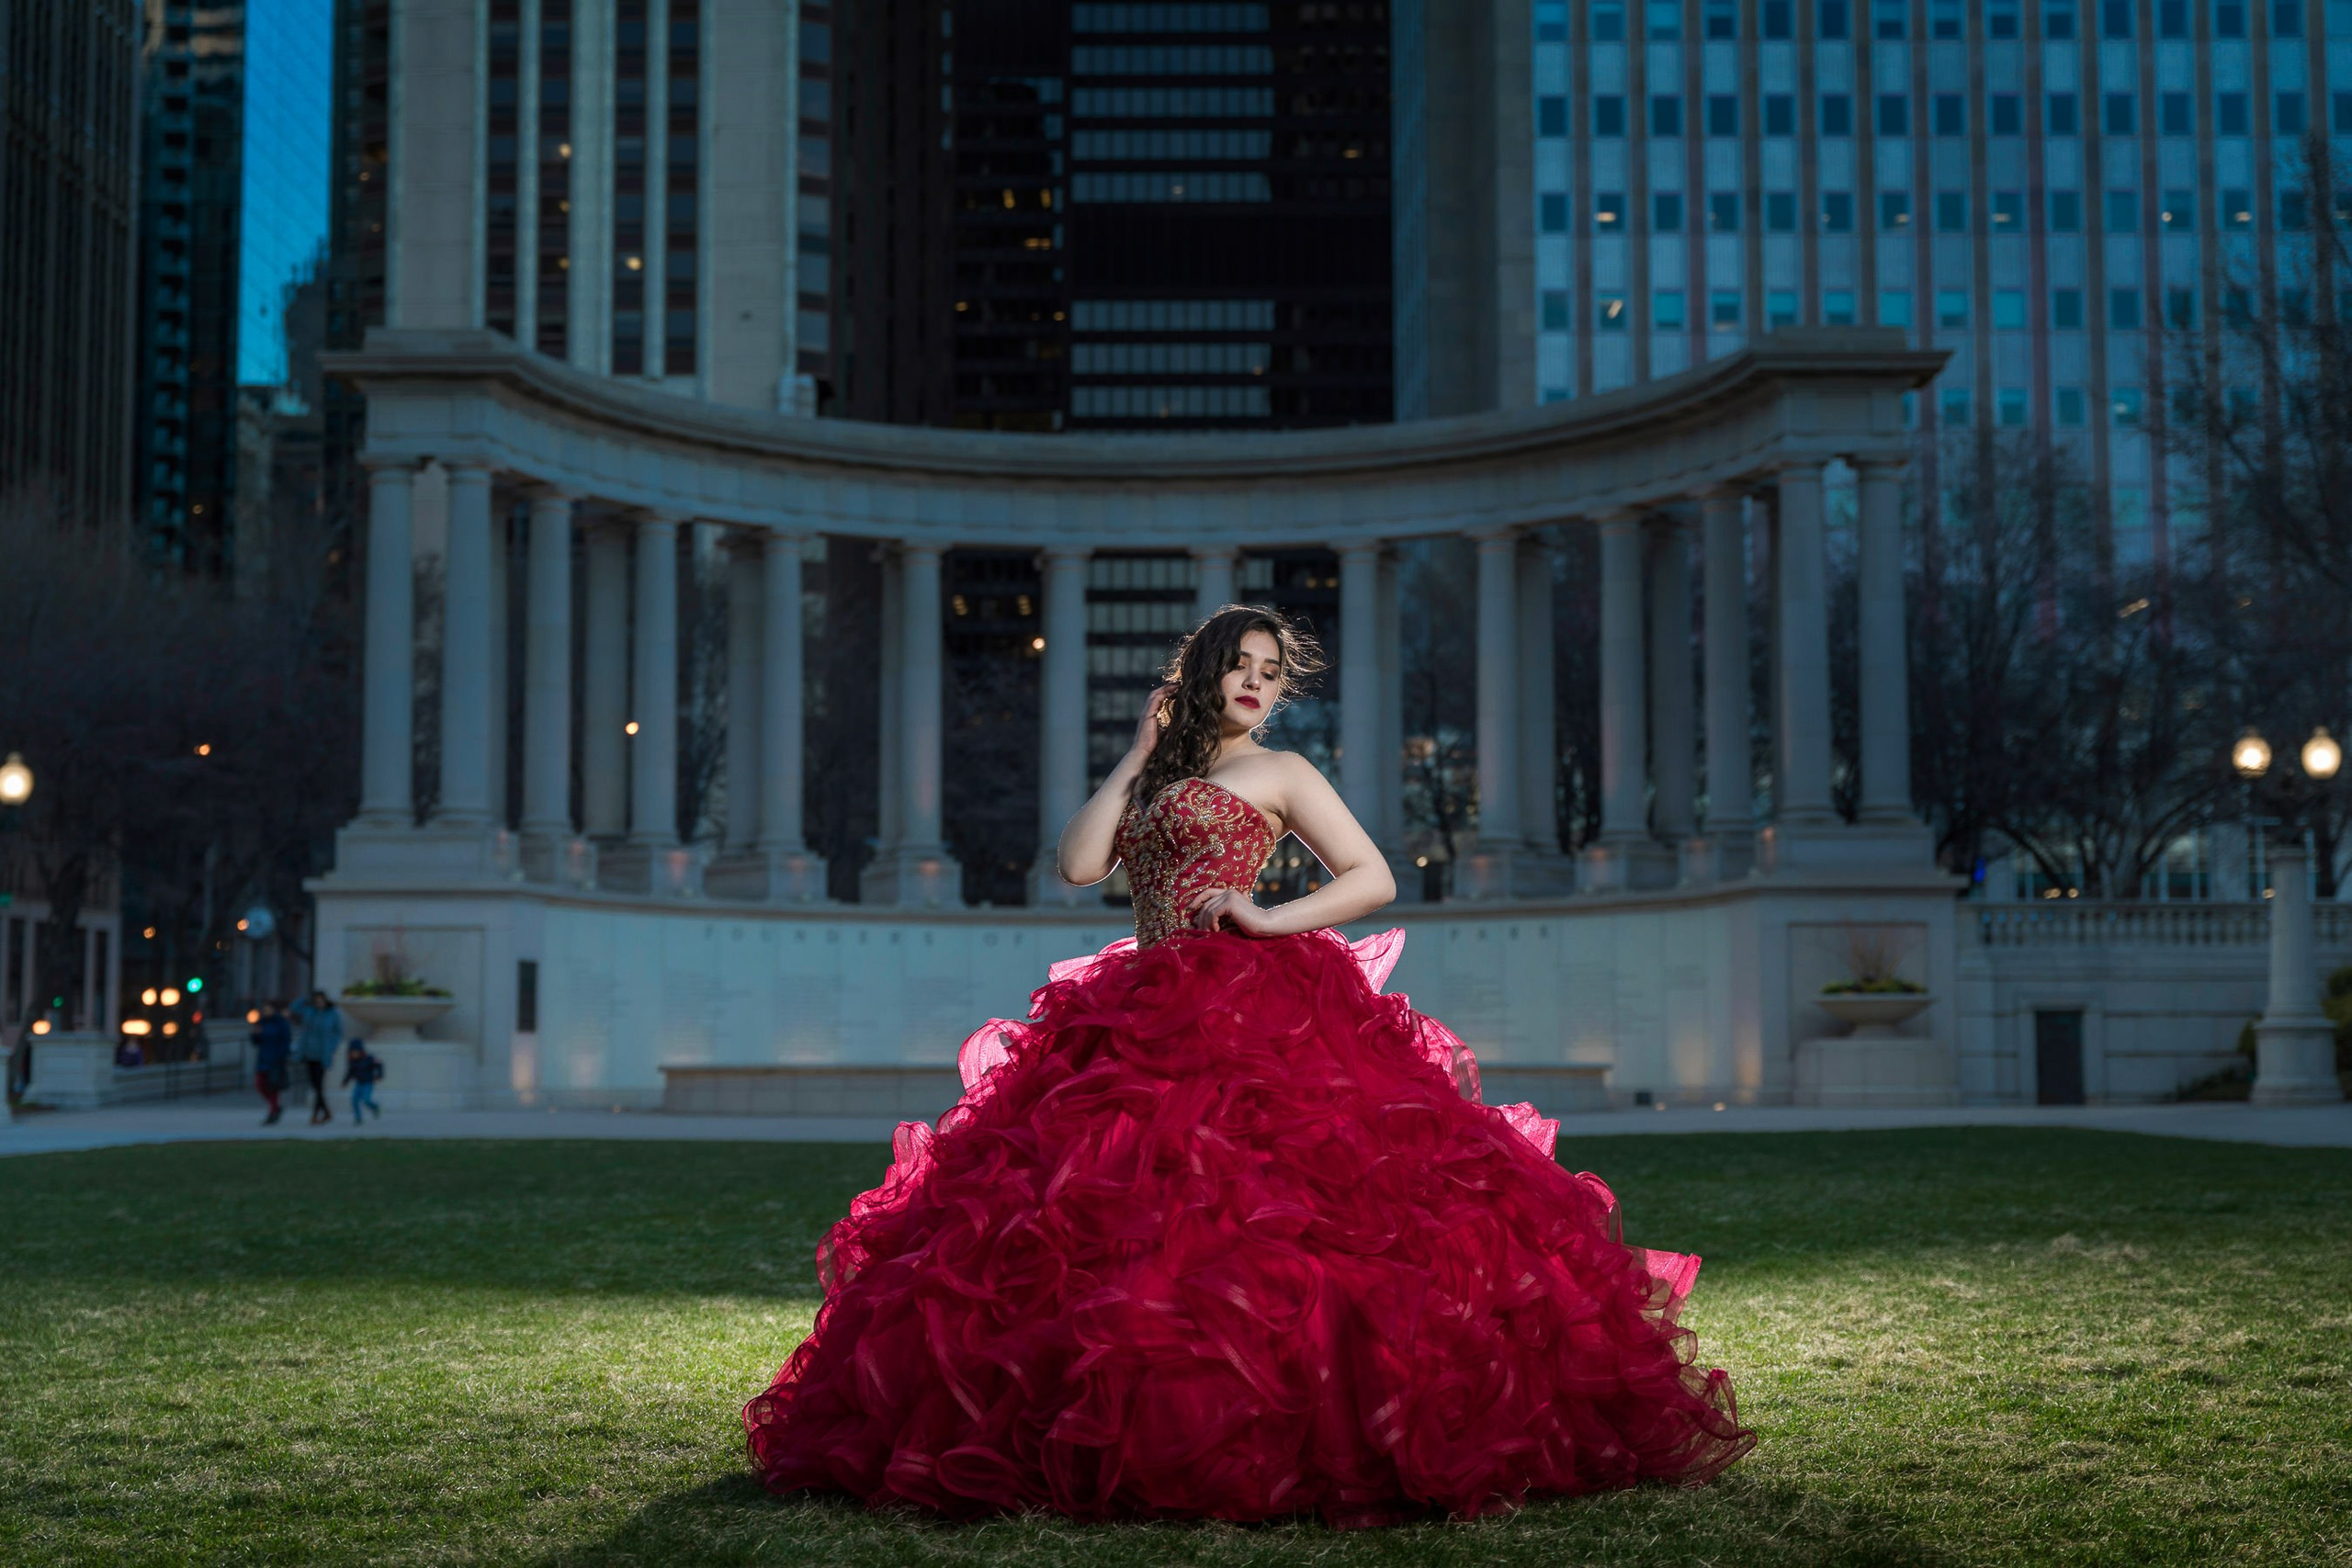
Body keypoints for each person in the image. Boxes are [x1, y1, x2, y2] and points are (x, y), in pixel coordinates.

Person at [744, 606, 1753, 1527]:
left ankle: (1275, 1418)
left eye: (1271, 672)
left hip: (1245, 999)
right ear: (1201, 675)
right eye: (1239, 665)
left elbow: (1373, 877)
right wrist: (1137, 753)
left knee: (1257, 1211)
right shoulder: (1157, 775)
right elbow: (1080, 864)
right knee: (1102, 1210)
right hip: (1135, 1005)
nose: (1256, 683)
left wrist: (1267, 917)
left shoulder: (1282, 773)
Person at [291, 989, 343, 1124]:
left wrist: (332, 1047)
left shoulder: (332, 1014)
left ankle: (316, 1114)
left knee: (319, 1085)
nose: (319, 1004)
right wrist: (305, 997)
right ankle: (326, 1112)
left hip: (323, 1054)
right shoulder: (310, 1011)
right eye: (317, 1001)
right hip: (309, 1053)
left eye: (321, 1001)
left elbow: (338, 1032)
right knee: (315, 1085)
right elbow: (294, 1008)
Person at [250, 1003, 291, 1126]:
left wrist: (281, 1056)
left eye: (268, 1010)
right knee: (260, 1085)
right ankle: (276, 1106)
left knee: (273, 1087)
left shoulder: (281, 1024)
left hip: (275, 1060)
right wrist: (255, 1034)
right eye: (264, 1010)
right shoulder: (261, 1023)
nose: (266, 1013)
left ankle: (273, 1111)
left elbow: (285, 1041)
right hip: (263, 1058)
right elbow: (256, 1041)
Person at [343, 1039, 383, 1122]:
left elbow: (379, 1065)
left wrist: (379, 1075)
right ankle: (358, 1118)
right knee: (354, 1100)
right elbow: (350, 1072)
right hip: (359, 1083)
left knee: (366, 1099)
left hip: (368, 1083)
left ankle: (375, 1107)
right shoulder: (352, 1061)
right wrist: (345, 1082)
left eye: (356, 1052)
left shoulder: (369, 1058)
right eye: (352, 1052)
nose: (354, 1054)